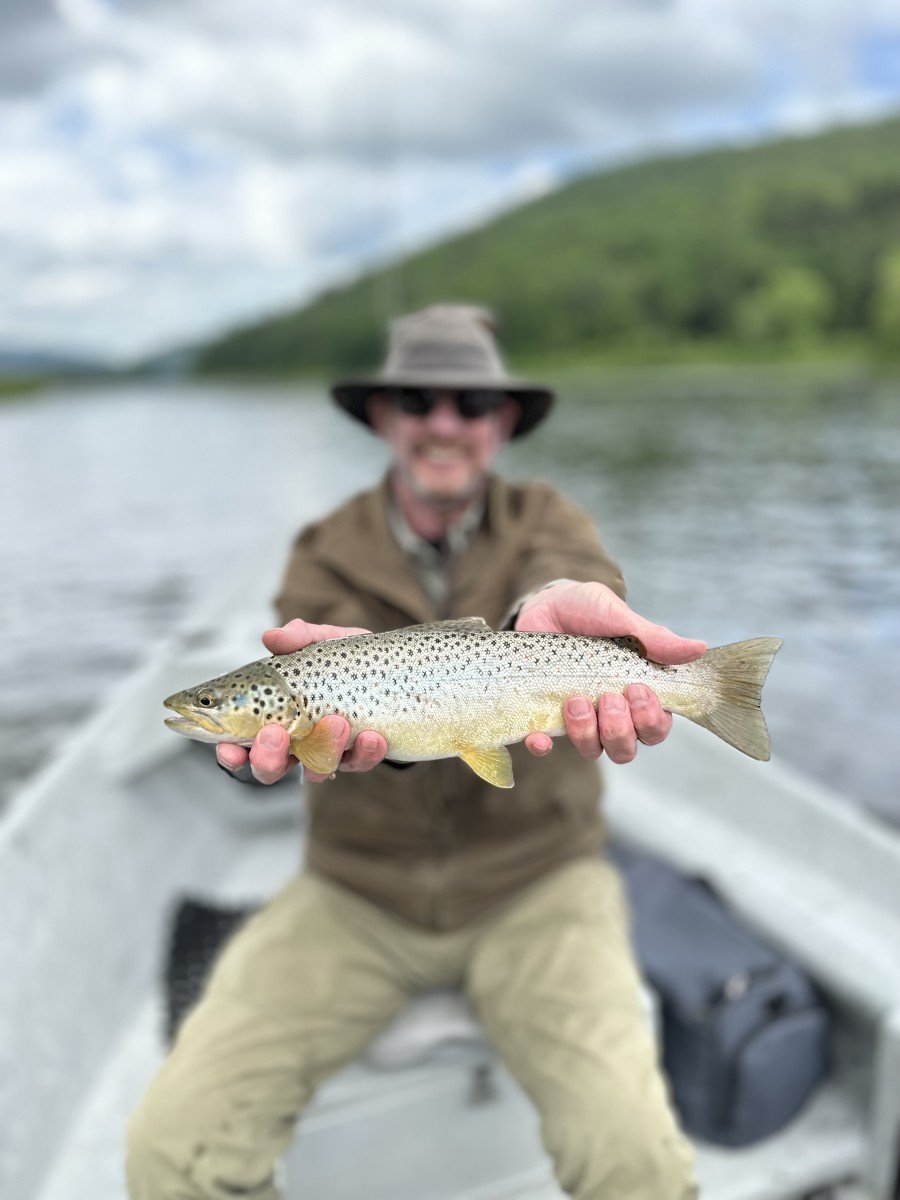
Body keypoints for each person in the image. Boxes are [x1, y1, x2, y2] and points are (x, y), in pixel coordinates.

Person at [127, 305, 703, 1199]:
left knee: (639, 1164)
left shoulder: (548, 519)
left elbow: (567, 572)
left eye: (471, 403)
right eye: (419, 400)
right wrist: (376, 739)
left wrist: (554, 596)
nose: (445, 421)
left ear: (502, 423)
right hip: (358, 889)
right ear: (386, 418)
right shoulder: (324, 549)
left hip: (540, 883)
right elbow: (347, 733)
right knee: (170, 1155)